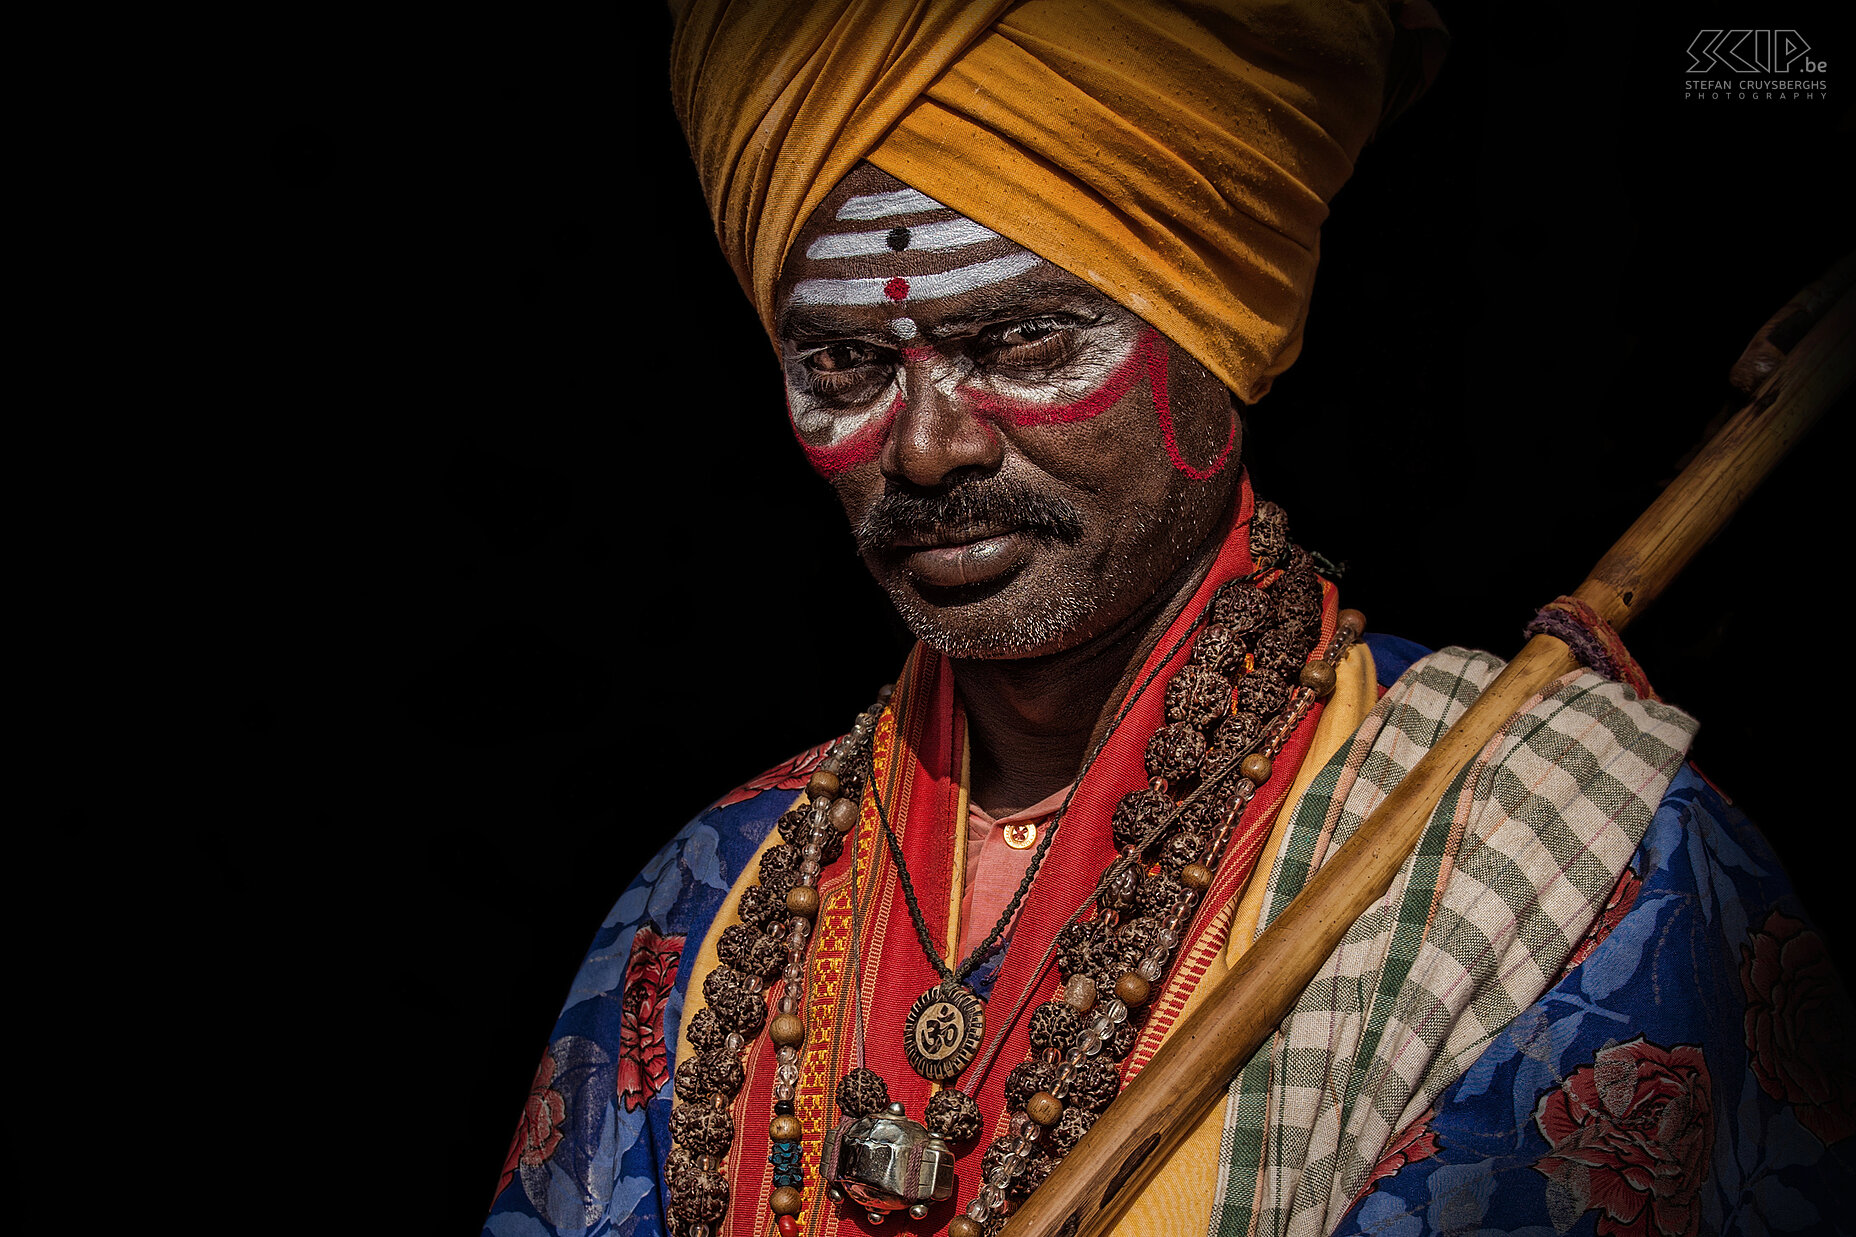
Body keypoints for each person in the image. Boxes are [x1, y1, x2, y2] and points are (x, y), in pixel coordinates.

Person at [485, 3, 1854, 1235]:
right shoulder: (710, 905)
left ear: (1225, 333)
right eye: (845, 363)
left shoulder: (1567, 871)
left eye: (1020, 341)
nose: (926, 451)